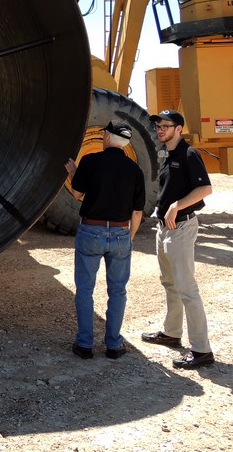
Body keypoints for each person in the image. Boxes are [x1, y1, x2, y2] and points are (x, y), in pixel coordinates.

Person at [64, 120, 145, 360]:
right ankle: (113, 345)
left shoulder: (90, 162)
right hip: (120, 232)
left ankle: (85, 345)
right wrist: (128, 237)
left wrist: (73, 172)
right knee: (118, 291)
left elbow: (78, 193)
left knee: (85, 289)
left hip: (91, 230)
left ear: (107, 137)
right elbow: (137, 212)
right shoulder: (135, 170)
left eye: (104, 134)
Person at [141, 109, 215, 369]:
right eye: (158, 126)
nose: (160, 129)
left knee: (187, 289)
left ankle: (202, 350)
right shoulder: (167, 154)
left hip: (181, 227)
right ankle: (172, 333)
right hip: (165, 228)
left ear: (179, 128)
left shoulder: (189, 154)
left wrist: (176, 205)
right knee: (170, 283)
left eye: (165, 126)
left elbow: (206, 188)